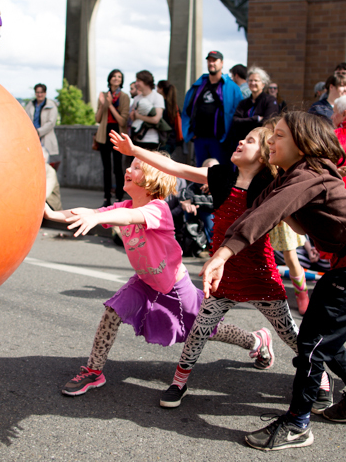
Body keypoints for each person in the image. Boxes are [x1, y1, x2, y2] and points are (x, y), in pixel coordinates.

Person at [201, 111, 346, 451]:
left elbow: (265, 214)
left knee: (313, 343)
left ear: (303, 143)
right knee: (319, 339)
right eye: (271, 135)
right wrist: (225, 248)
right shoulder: (293, 176)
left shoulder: (308, 173)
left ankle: (297, 424)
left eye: (279, 135)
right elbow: (258, 206)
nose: (270, 140)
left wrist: (223, 255)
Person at [110, 128, 332, 411]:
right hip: (222, 272)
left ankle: (321, 376)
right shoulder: (220, 176)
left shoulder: (271, 185)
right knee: (200, 330)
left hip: (260, 274)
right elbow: (176, 167)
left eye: (250, 140)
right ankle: (179, 381)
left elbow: (299, 214)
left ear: (265, 154)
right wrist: (135, 151)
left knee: (289, 332)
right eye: (243, 137)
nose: (240, 140)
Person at [44, 154, 258, 396]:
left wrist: (97, 217)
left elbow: (127, 218)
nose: (127, 169)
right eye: (130, 164)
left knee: (208, 329)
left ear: (152, 180)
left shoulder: (158, 209)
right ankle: (94, 371)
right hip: (144, 283)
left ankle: (256, 341)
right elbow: (87, 212)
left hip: (177, 289)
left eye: (136, 167)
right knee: (111, 312)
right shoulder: (122, 206)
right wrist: (51, 214)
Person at [261, 117, 310, 315]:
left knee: (291, 257)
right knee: (263, 254)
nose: (269, 139)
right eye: (267, 135)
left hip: (285, 217)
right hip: (268, 214)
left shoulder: (285, 160)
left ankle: (302, 293)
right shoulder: (264, 159)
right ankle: (267, 291)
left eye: (274, 135)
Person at [181, 50, 243, 166]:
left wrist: (230, 137)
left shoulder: (231, 87)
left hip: (220, 140)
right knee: (200, 173)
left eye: (214, 60)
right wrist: (190, 131)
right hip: (200, 139)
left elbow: (238, 114)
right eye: (209, 60)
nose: (211, 63)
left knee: (220, 174)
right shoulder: (198, 85)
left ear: (222, 63)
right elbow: (187, 109)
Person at [224, 66, 278, 160]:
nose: (253, 83)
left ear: (263, 84)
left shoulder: (270, 101)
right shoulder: (244, 103)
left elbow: (267, 123)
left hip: (261, 147)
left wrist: (244, 122)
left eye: (256, 80)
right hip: (243, 146)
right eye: (251, 80)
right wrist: (256, 119)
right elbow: (235, 121)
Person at [95, 69, 130, 206]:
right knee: (106, 168)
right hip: (104, 133)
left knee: (117, 167)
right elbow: (97, 119)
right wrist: (103, 105)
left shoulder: (124, 97)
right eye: (114, 76)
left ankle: (119, 197)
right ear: (109, 79)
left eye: (119, 77)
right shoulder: (103, 95)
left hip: (117, 133)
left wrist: (110, 105)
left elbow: (122, 121)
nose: (116, 79)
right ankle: (106, 198)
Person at [130, 70, 168, 151]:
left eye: (138, 81)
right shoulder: (137, 98)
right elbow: (134, 119)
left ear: (146, 81)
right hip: (137, 138)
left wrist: (138, 116)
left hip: (151, 140)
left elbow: (156, 119)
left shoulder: (157, 97)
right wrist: (133, 116)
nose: (136, 84)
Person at [24, 84, 60, 168]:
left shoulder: (51, 105)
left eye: (41, 92)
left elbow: (51, 123)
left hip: (45, 138)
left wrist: (38, 132)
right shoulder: (31, 104)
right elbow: (26, 118)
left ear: (45, 93)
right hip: (33, 137)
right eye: (37, 92)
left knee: (45, 165)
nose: (39, 94)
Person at [156, 80, 181, 154]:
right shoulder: (174, 106)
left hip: (163, 140)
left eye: (157, 88)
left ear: (161, 89)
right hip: (172, 140)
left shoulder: (161, 105)